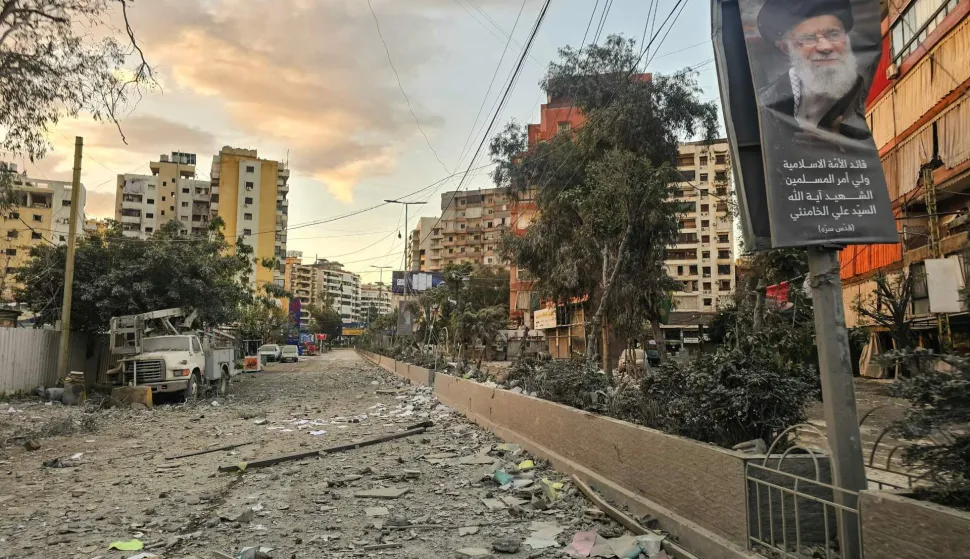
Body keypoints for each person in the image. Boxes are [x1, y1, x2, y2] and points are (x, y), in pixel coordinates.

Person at [757, 0, 870, 140]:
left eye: (833, 34)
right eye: (809, 38)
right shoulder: (764, 104)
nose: (825, 47)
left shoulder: (869, 93)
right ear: (786, 48)